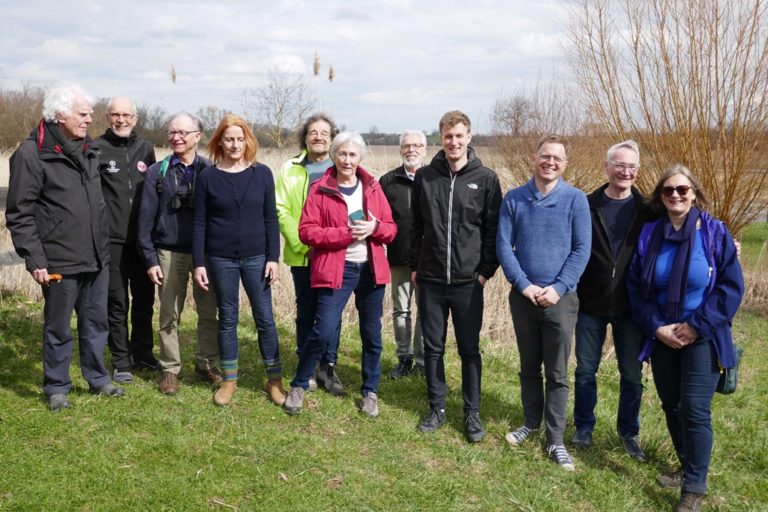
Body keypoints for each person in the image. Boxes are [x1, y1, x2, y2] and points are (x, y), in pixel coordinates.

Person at [627, 165, 743, 512]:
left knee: (694, 408)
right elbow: (636, 289)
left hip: (703, 335)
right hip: (663, 334)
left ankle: (694, 487)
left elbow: (730, 287)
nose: (675, 195)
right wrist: (657, 326)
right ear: (660, 197)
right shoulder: (650, 235)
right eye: (668, 191)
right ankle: (685, 465)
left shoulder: (715, 233)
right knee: (672, 405)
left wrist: (696, 325)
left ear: (694, 193)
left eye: (682, 190)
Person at [6, 84, 124, 410]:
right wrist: (35, 259)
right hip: (58, 258)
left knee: (96, 322)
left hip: (97, 256)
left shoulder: (89, 149)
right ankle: (57, 387)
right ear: (60, 115)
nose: (90, 119)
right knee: (58, 327)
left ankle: (98, 379)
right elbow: (20, 213)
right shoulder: (32, 154)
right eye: (82, 114)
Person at [283, 131, 397, 417]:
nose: (347, 160)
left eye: (353, 155)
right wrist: (345, 234)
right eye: (342, 154)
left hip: (371, 270)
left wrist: (374, 229)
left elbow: (391, 229)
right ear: (334, 155)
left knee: (372, 334)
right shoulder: (320, 189)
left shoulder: (372, 187)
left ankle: (370, 391)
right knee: (322, 330)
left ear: (361, 158)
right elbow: (306, 231)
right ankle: (299, 384)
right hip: (337, 269)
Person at [497, 135, 591, 470]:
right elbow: (504, 247)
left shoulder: (576, 200)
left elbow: (582, 250)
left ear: (565, 164)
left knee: (557, 372)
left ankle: (555, 440)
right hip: (523, 299)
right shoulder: (515, 199)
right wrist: (524, 286)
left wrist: (558, 287)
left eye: (557, 159)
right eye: (545, 156)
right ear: (534, 158)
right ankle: (530, 423)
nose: (550, 162)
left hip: (561, 301)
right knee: (528, 367)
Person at [411, 111, 502, 443]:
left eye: (459, 136)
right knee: (433, 348)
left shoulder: (487, 179)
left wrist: (484, 272)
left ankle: (472, 413)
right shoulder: (425, 177)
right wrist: (416, 266)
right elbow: (416, 227)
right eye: (448, 136)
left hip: (467, 282)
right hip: (432, 280)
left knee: (469, 349)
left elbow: (493, 231)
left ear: (469, 138)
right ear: (441, 138)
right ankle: (436, 408)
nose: (453, 142)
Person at [571, 140, 656, 460]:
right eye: (620, 165)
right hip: (590, 302)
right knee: (585, 371)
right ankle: (583, 427)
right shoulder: (586, 204)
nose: (626, 172)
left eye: (632, 167)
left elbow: (686, 217)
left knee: (632, 375)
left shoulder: (649, 208)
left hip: (631, 306)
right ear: (606, 167)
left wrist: (722, 239)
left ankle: (629, 432)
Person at [192, 115, 285, 407]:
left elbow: (271, 218)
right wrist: (199, 263)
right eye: (229, 139)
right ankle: (230, 381)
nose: (234, 144)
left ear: (248, 141)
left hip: (258, 259)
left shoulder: (263, 174)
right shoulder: (208, 177)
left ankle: (274, 380)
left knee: (265, 320)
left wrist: (273, 258)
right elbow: (199, 223)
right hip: (221, 260)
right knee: (228, 319)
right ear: (220, 141)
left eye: (239, 139)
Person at [137, 112, 220, 395]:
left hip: (204, 255)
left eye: (183, 132)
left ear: (198, 136)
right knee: (169, 313)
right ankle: (170, 369)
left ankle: (206, 363)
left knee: (209, 312)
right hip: (168, 252)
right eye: (172, 132)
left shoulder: (210, 172)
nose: (177, 138)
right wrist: (150, 259)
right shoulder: (156, 173)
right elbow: (145, 220)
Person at [276, 113, 342, 394]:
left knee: (332, 313)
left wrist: (328, 244)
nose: (318, 137)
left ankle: (328, 366)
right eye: (313, 132)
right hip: (302, 254)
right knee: (305, 312)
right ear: (305, 137)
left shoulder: (341, 167)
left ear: (332, 138)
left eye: (324, 133)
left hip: (333, 255)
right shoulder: (290, 168)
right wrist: (303, 242)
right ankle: (306, 365)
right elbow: (281, 209)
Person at [98, 96, 158, 383]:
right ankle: (121, 360)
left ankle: (143, 352)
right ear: (107, 117)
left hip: (144, 240)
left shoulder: (145, 148)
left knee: (145, 299)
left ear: (135, 118)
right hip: (113, 240)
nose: (121, 120)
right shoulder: (96, 148)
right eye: (115, 115)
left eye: (127, 115)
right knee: (117, 300)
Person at [380, 129, 427, 378]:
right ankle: (403, 358)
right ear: (400, 150)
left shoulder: (434, 178)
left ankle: (421, 361)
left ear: (425, 150)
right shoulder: (388, 181)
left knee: (424, 310)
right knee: (401, 310)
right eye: (407, 146)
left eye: (417, 146)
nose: (412, 150)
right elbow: (378, 218)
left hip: (428, 258)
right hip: (399, 256)